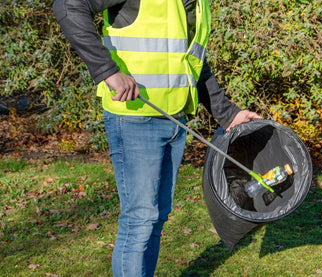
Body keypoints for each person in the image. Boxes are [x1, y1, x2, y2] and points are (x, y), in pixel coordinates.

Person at [52, 0, 261, 276]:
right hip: (135, 118)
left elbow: (191, 61)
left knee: (156, 219)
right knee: (139, 221)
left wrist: (228, 114)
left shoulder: (198, 4)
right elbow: (67, 6)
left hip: (174, 121)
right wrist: (108, 71)